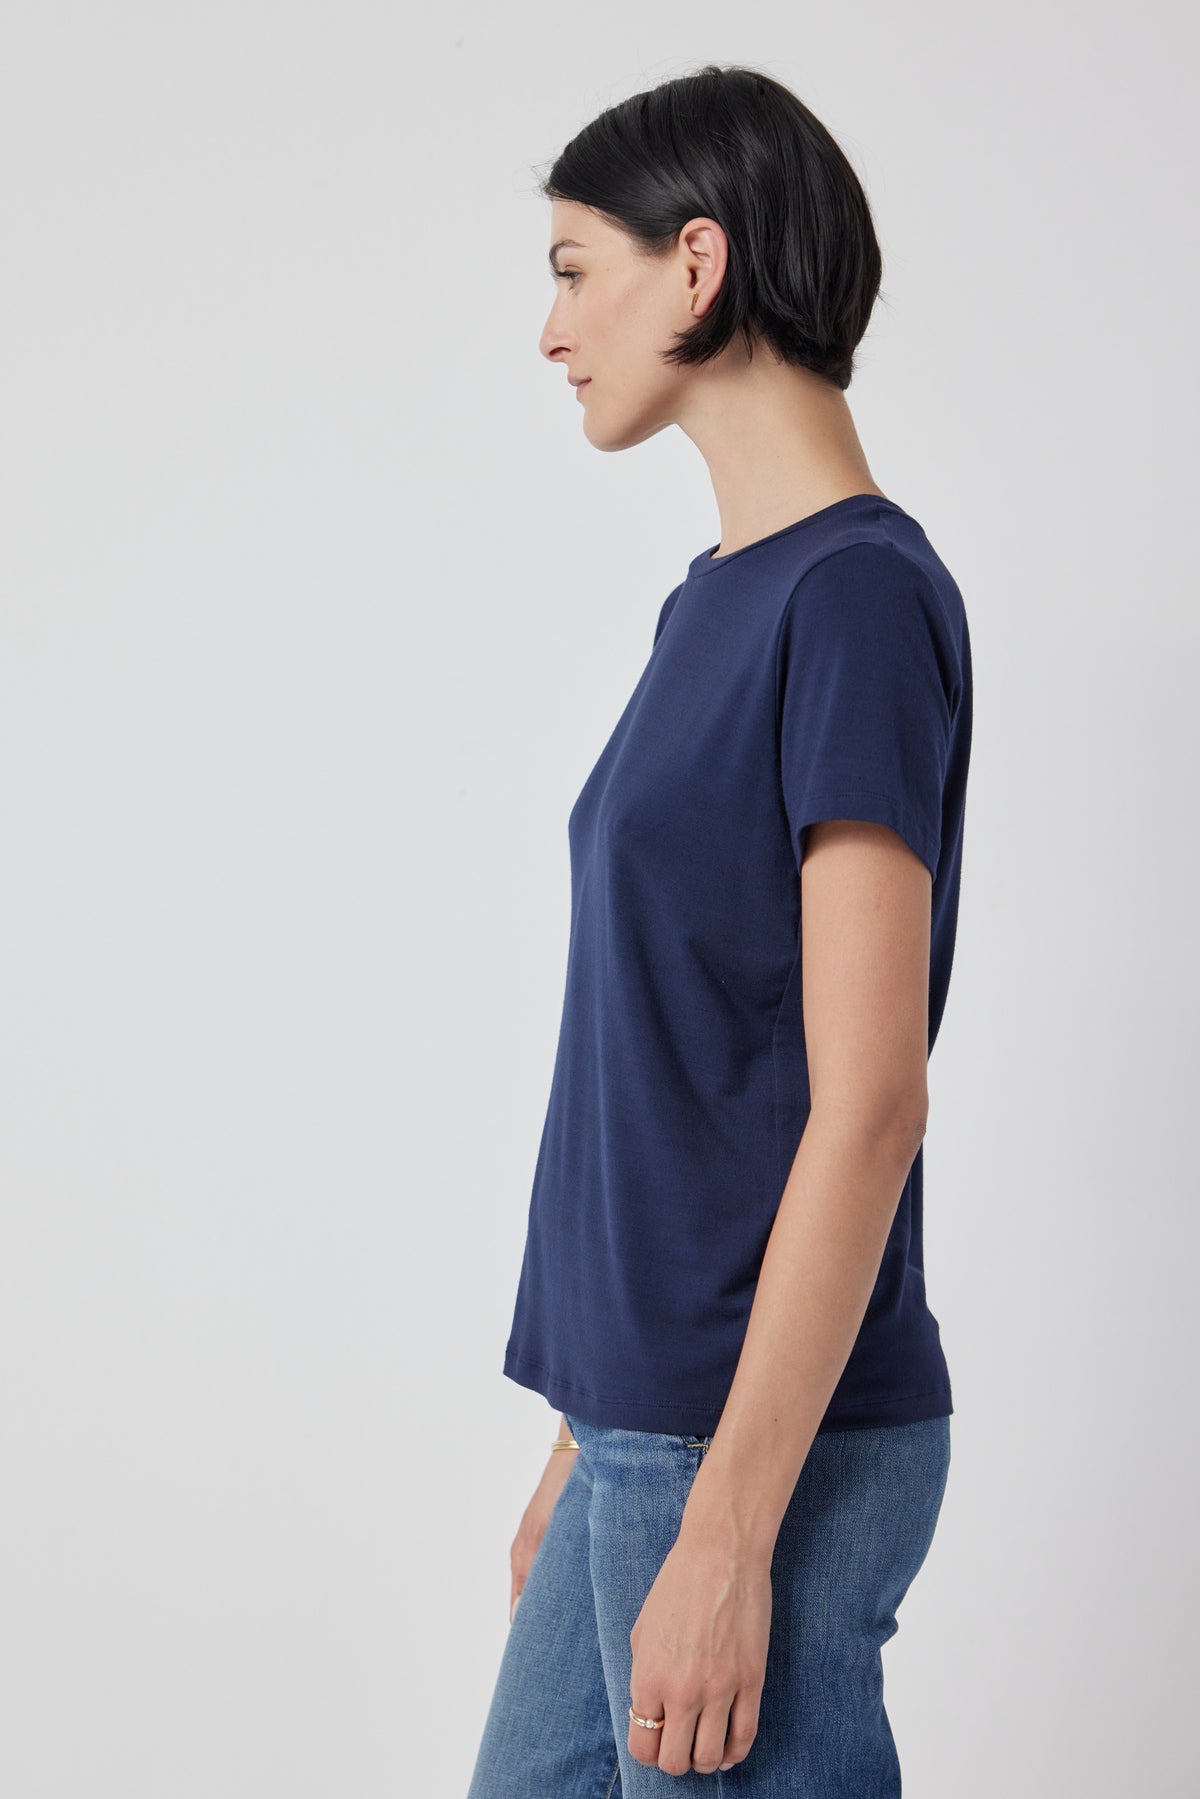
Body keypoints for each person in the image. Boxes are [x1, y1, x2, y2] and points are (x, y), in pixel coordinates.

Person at [468, 62, 972, 1797]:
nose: (550, 329)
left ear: (698, 264)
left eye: (570, 267)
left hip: (755, 1445)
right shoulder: (720, 602)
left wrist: (732, 1525)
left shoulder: (851, 601)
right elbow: (685, 1054)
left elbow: (870, 1098)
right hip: (647, 1418)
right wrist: (580, 1431)